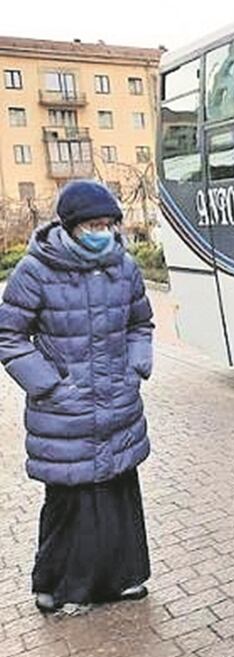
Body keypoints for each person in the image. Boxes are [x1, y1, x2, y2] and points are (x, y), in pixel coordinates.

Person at [0, 180, 153, 615]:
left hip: (118, 401)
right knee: (71, 499)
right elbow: (10, 334)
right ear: (69, 226)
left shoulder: (123, 266)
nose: (103, 231)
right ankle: (61, 585)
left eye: (108, 223)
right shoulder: (35, 270)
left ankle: (124, 578)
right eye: (92, 224)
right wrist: (48, 384)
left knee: (118, 492)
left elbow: (140, 323)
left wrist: (135, 366)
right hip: (63, 408)